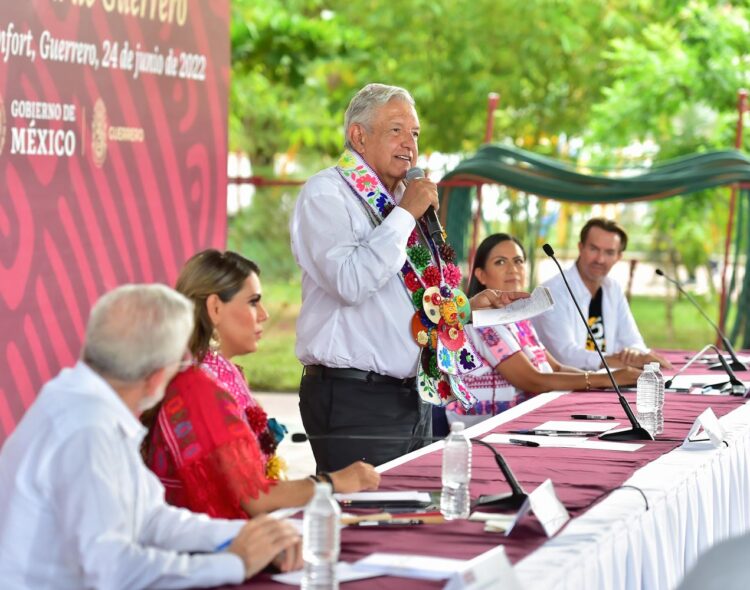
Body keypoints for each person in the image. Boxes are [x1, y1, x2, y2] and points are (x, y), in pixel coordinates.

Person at [0, 284, 302, 590]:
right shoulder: (87, 429)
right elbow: (113, 571)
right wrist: (234, 563)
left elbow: (150, 518)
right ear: (158, 377)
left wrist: (242, 537)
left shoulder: (87, 403)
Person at [290, 82, 526, 471]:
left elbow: (409, 302)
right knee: (366, 521)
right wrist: (404, 215)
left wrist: (467, 307)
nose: (409, 144)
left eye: (414, 133)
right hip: (354, 396)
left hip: (414, 393)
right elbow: (351, 283)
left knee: (411, 518)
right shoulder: (326, 194)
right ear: (358, 136)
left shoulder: (402, 198)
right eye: (396, 130)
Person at [142, 250, 380, 519]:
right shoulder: (198, 385)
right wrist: (334, 482)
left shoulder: (221, 371)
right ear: (215, 308)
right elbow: (253, 497)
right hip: (207, 542)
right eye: (253, 302)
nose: (264, 314)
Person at [443, 234, 641, 428]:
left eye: (518, 261)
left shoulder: (517, 319)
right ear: (481, 275)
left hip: (526, 419)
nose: (513, 269)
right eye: (501, 262)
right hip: (487, 430)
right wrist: (605, 379)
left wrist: (607, 382)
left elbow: (556, 368)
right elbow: (533, 380)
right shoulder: (481, 321)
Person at [532, 217, 673, 371]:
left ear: (618, 257)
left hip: (608, 381)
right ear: (580, 248)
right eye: (593, 249)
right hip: (563, 386)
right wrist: (617, 361)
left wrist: (633, 353)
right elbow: (565, 355)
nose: (600, 259)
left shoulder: (613, 289)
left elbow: (633, 342)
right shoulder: (552, 292)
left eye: (609, 252)